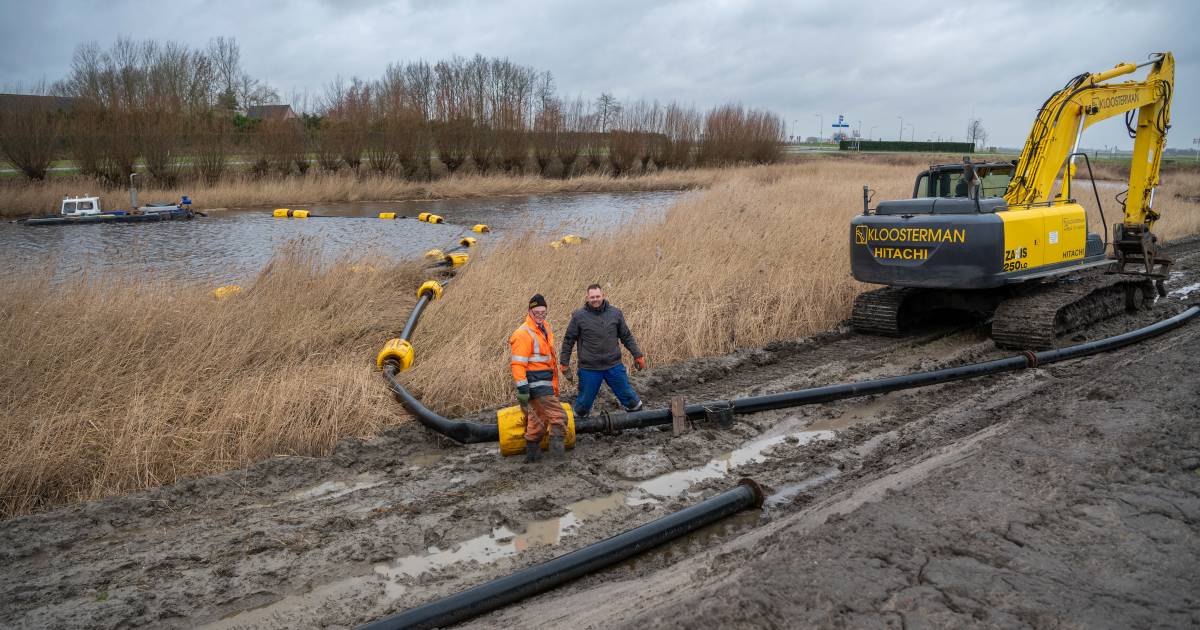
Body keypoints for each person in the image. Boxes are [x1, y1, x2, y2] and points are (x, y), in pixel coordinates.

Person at [560, 284, 646, 418]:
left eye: (597, 296)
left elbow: (626, 336)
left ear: (603, 296)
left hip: (613, 366)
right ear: (587, 298)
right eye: (592, 297)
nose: (595, 299)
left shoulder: (615, 313)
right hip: (589, 368)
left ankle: (642, 423)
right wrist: (564, 363)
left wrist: (637, 355)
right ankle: (579, 429)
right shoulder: (578, 316)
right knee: (583, 406)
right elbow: (568, 340)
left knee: (630, 399)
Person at [509, 293, 567, 462]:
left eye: (543, 312)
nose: (540, 316)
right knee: (559, 417)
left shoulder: (544, 328)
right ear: (529, 311)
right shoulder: (523, 334)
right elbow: (518, 364)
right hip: (536, 385)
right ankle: (558, 459)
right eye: (537, 313)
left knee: (538, 420)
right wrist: (522, 388)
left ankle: (532, 457)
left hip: (544, 383)